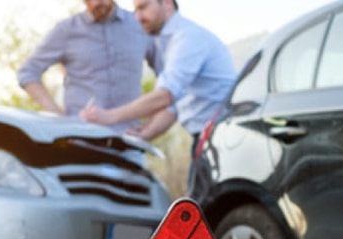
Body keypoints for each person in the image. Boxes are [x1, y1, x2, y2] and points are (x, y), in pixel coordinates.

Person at [80, 0, 237, 156]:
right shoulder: (167, 42)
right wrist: (146, 132)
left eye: (143, 7)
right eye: (136, 10)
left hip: (225, 137)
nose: (138, 17)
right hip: (208, 138)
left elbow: (164, 96)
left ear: (167, 3)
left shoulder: (188, 38)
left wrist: (108, 116)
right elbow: (174, 106)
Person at [17, 0, 157, 133]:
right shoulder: (66, 30)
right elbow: (28, 72)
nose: (95, 3)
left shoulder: (140, 25)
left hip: (129, 141)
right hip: (80, 140)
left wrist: (151, 127)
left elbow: (169, 80)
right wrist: (59, 118)